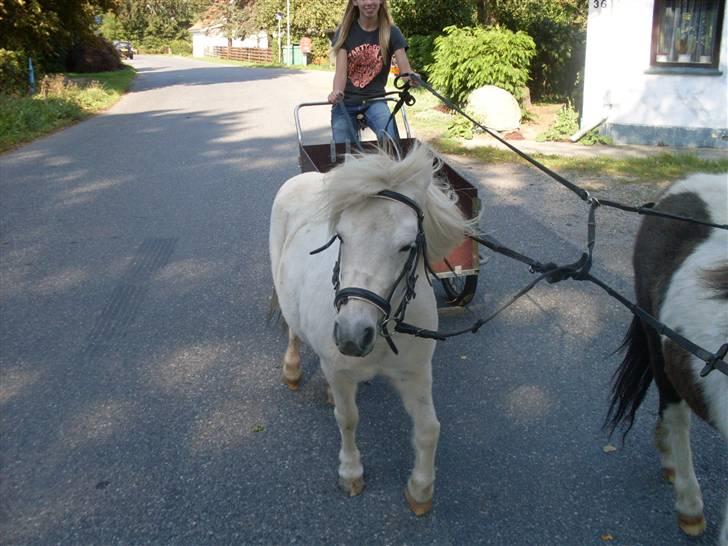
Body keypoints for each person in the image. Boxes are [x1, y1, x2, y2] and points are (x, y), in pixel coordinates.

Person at [327, 0, 417, 145]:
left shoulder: (392, 32)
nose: (369, 2)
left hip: (375, 101)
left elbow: (406, 72)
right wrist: (337, 92)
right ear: (355, 2)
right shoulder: (344, 32)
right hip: (346, 102)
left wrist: (412, 79)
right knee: (342, 152)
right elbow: (341, 73)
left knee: (392, 144)